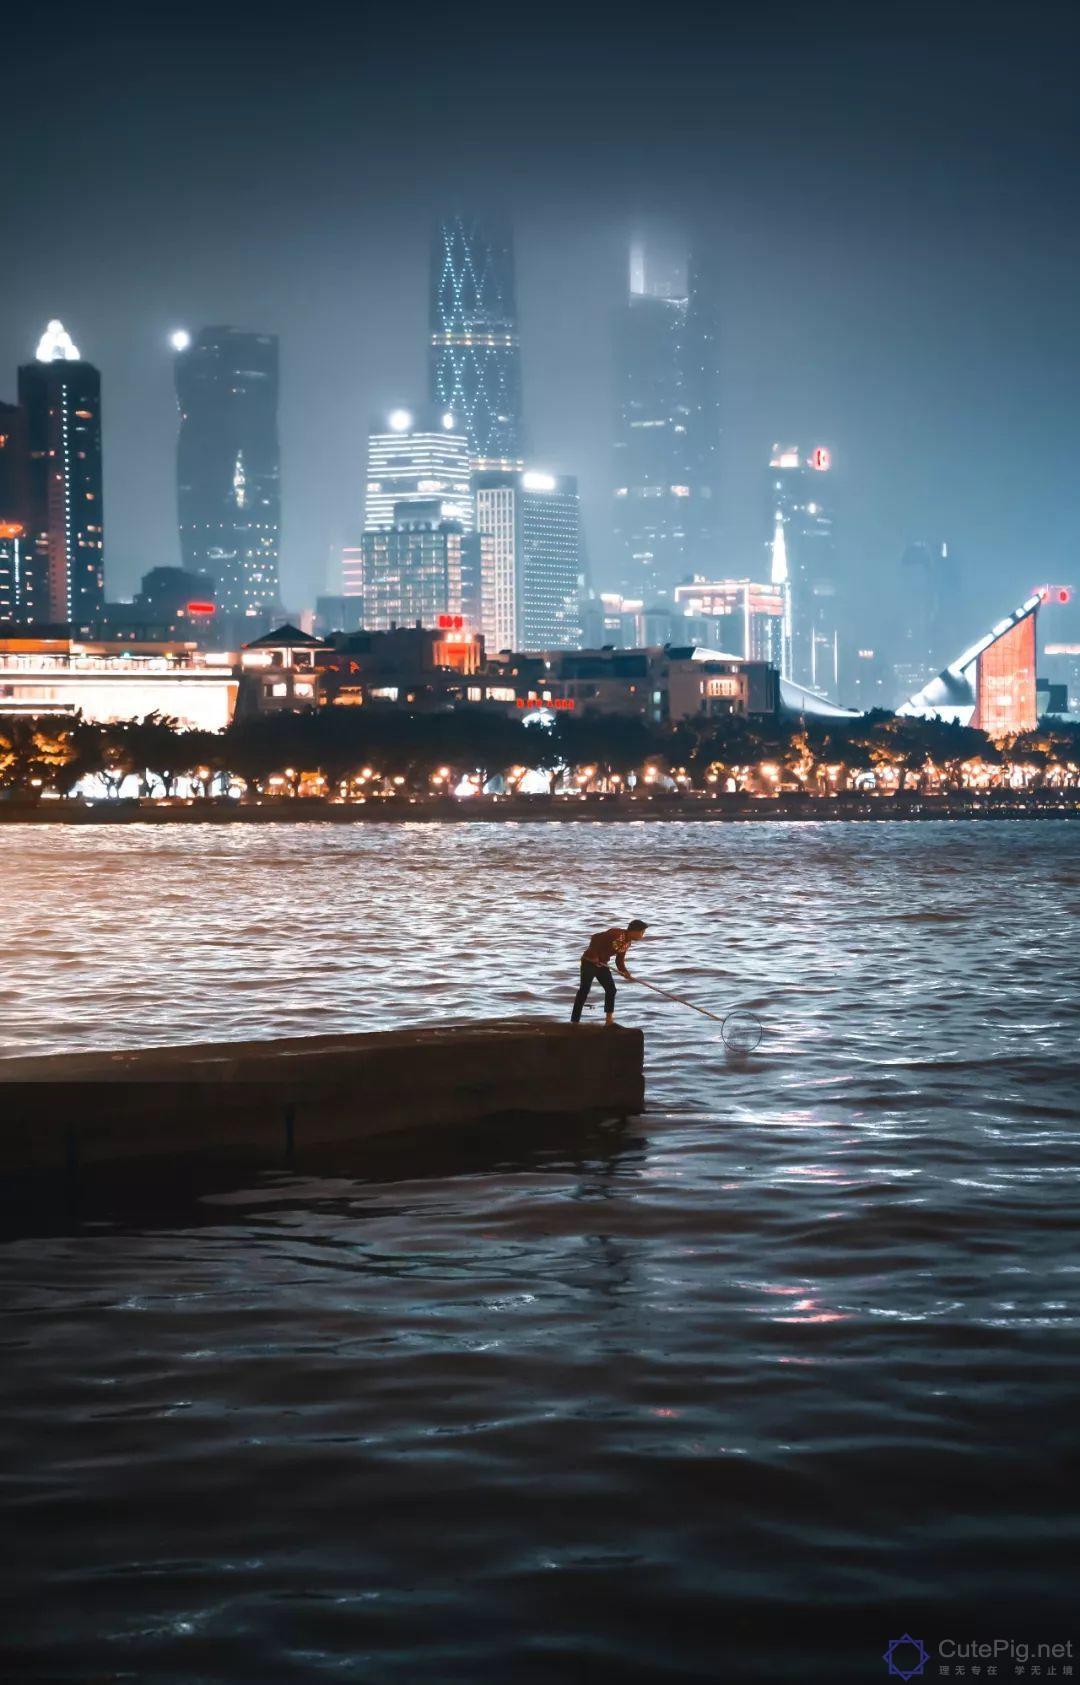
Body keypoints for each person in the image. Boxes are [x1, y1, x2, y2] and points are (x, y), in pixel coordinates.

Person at [570, 920, 649, 1025]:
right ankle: (574, 1022)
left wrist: (624, 972)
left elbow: (619, 961)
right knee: (584, 990)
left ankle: (609, 1020)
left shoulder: (627, 943)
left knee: (611, 989)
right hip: (589, 962)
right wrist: (594, 955)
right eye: (642, 932)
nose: (643, 935)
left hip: (602, 964)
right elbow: (595, 938)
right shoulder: (616, 934)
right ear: (634, 931)